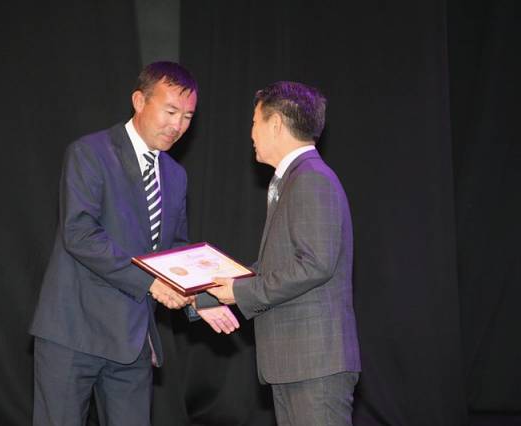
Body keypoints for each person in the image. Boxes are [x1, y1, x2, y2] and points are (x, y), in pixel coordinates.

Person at [29, 61, 238, 426]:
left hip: (134, 340)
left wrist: (199, 299)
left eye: (188, 117)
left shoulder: (175, 175)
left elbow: (177, 252)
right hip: (74, 332)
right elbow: (80, 233)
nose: (178, 125)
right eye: (170, 111)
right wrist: (151, 283)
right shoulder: (90, 153)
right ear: (139, 101)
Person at [201, 81, 361, 425]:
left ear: (275, 124)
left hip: (314, 363)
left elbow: (315, 265)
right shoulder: (295, 179)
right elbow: (278, 266)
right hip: (295, 363)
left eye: (254, 122)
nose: (251, 133)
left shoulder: (312, 179)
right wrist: (205, 294)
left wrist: (239, 291)